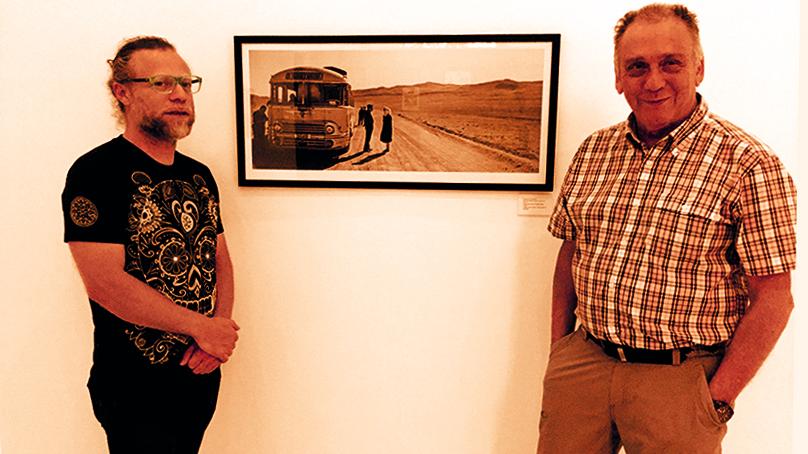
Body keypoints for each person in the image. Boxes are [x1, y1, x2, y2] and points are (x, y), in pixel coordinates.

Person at [538, 4, 796, 453]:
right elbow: (571, 253)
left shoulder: (750, 164)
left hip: (679, 383)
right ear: (618, 77)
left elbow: (774, 298)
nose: (653, 81)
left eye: (670, 63)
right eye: (636, 66)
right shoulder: (593, 151)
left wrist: (717, 398)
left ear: (699, 67)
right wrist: (560, 349)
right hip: (583, 368)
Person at [61, 36, 240, 454]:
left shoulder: (200, 175)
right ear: (122, 92)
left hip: (198, 373)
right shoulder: (95, 173)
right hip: (133, 384)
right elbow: (104, 283)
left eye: (185, 82)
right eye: (161, 83)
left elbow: (219, 261)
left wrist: (217, 334)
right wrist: (203, 329)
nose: (179, 94)